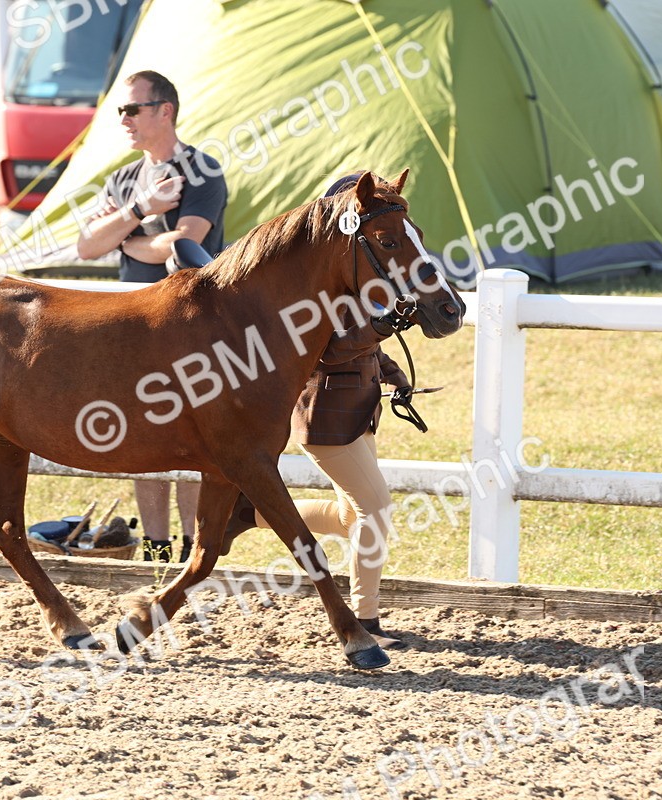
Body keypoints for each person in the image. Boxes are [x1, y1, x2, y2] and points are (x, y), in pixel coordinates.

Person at [221, 174, 413, 649]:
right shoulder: (314, 288)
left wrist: (390, 369)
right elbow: (324, 353)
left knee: (352, 516)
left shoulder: (355, 273)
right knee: (377, 508)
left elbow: (361, 345)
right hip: (326, 415)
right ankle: (365, 621)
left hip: (360, 408)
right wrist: (380, 331)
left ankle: (250, 514)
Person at [76, 70, 228, 563]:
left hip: (190, 327)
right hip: (132, 327)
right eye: (120, 110)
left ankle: (191, 552)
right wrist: (139, 208)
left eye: (132, 109)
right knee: (142, 436)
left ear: (165, 111)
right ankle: (156, 553)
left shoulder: (202, 170)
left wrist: (124, 236)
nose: (122, 119)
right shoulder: (124, 181)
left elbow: (185, 245)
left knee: (189, 439)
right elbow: (86, 246)